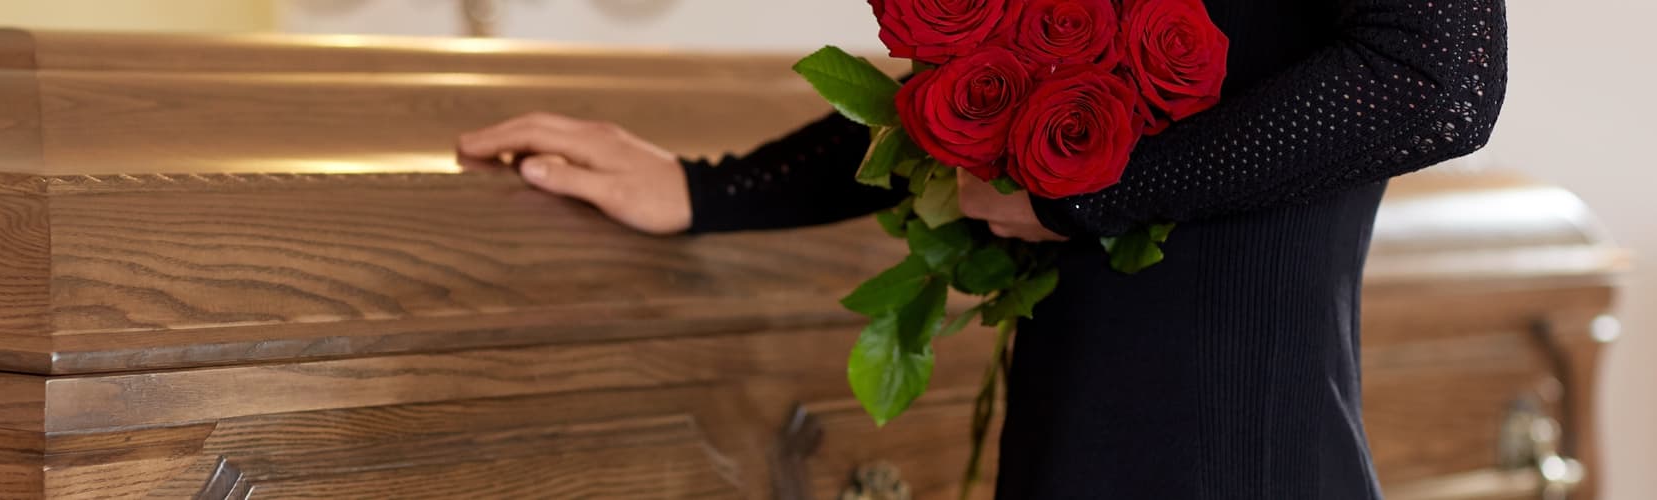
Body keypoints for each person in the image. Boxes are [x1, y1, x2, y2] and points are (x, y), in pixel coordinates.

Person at [457, 0, 1507, 497]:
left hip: (1244, 456)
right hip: (1069, 439)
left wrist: (1091, 193)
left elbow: (1437, 77)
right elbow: (978, 78)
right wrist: (706, 184)